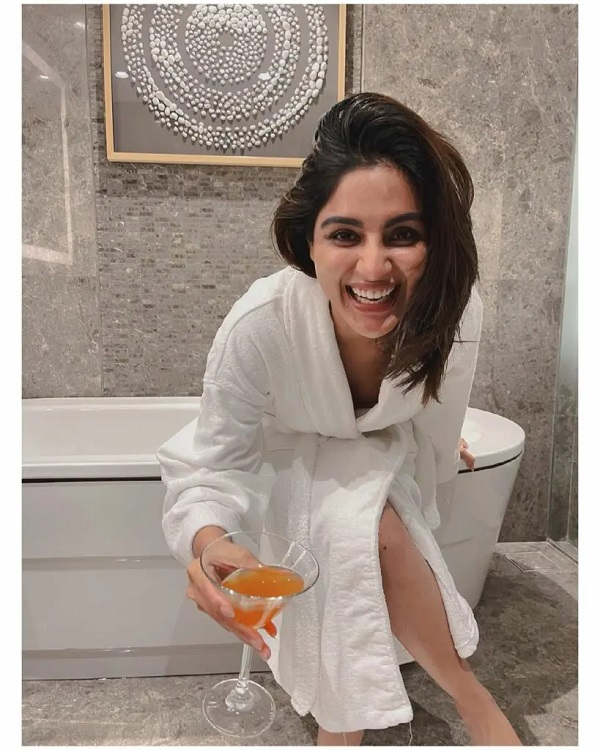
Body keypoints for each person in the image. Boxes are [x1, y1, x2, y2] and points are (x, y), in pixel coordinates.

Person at [157, 92, 521, 746]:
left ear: (434, 243)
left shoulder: (452, 312)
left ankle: (364, 720)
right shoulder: (261, 325)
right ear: (309, 241)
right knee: (357, 519)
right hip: (288, 460)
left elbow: (438, 422)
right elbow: (211, 465)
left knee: (372, 514)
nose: (373, 267)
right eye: (345, 235)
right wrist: (209, 542)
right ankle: (453, 701)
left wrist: (439, 457)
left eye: (403, 235)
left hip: (384, 456)